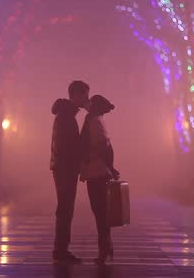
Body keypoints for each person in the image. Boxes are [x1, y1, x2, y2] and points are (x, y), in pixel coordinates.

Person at [50, 80, 90, 264]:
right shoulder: (66, 116)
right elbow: (68, 146)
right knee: (65, 208)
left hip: (63, 167)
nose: (86, 99)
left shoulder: (66, 115)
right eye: (84, 95)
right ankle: (60, 250)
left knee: (65, 208)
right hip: (65, 168)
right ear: (74, 95)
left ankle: (61, 249)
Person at [80, 95, 120, 265]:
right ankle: (106, 246)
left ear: (94, 106)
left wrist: (89, 160)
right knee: (101, 212)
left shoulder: (94, 121)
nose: (87, 103)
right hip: (97, 171)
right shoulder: (96, 120)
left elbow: (104, 146)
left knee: (100, 212)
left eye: (90, 101)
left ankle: (104, 249)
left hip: (97, 173)